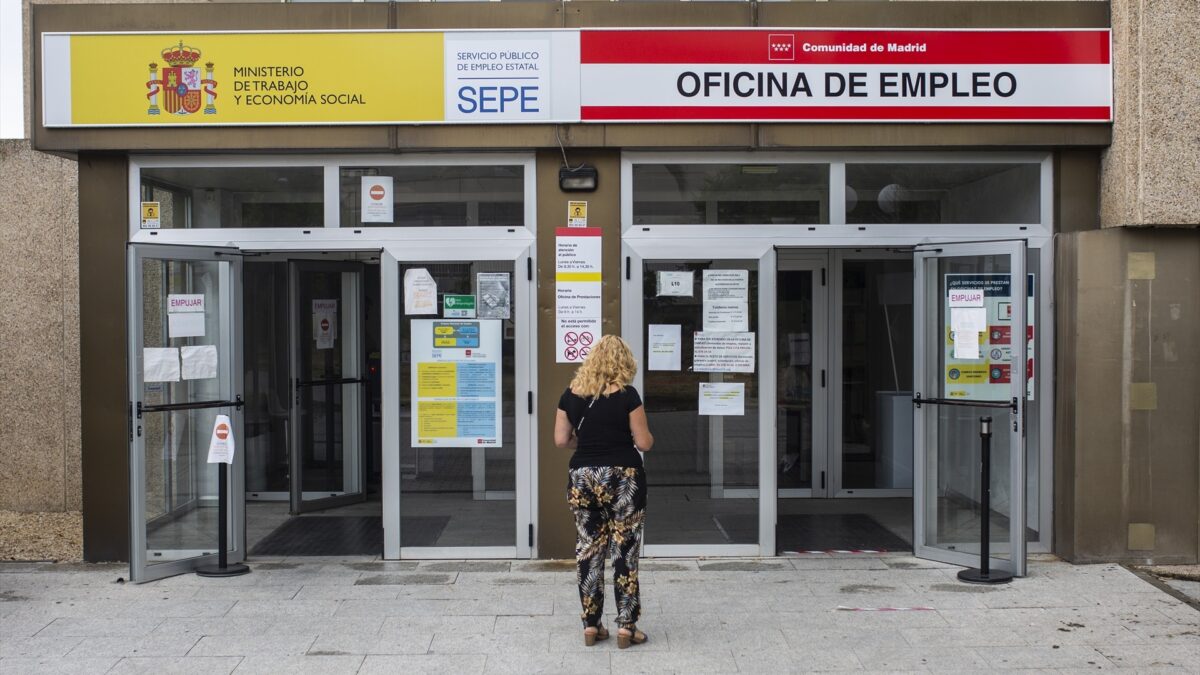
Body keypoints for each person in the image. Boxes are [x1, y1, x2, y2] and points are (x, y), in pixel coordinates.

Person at [555, 335, 654, 649]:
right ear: (624, 362)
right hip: (624, 477)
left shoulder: (570, 395)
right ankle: (626, 626)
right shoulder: (628, 396)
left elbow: (561, 440)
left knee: (589, 549)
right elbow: (644, 443)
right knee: (624, 551)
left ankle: (591, 625)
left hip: (583, 477)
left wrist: (586, 445)